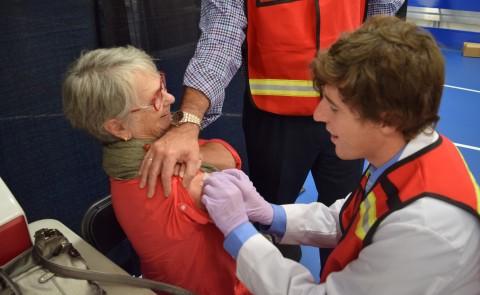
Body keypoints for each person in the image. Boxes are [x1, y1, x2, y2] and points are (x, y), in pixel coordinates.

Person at [201, 16, 480, 294]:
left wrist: (240, 233)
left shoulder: (423, 228)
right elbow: (353, 218)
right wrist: (271, 214)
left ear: (386, 120)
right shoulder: (409, 153)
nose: (318, 114)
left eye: (334, 107)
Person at [140, 0, 406, 263]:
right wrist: (188, 121)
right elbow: (221, 34)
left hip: (350, 110)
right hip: (274, 118)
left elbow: (380, 23)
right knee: (271, 222)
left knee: (346, 217)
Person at [62, 46, 250, 295]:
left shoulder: (132, 161)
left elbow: (228, 156)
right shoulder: (162, 179)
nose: (171, 98)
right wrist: (193, 144)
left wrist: (188, 145)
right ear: (118, 127)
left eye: (162, 84)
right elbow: (230, 161)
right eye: (155, 99)